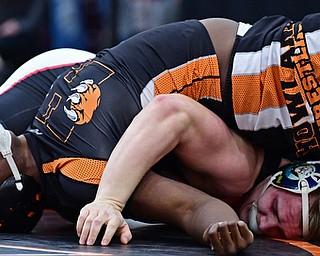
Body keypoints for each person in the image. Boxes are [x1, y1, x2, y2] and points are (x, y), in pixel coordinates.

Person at [0, 12, 319, 255]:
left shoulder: (80, 171)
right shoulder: (84, 175)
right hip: (95, 78)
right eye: (277, 212)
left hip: (79, 74)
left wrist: (110, 201)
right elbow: (191, 203)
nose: (267, 224)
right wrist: (109, 201)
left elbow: (192, 202)